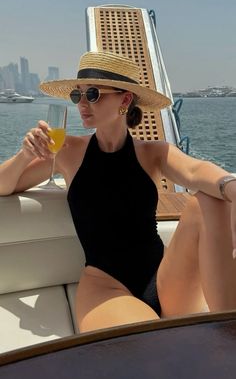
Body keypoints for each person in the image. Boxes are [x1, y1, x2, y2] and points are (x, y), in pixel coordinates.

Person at [0, 50, 236, 333]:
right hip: (105, 285)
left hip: (164, 278)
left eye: (94, 94)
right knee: (154, 347)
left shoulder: (154, 152)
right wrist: (24, 155)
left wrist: (230, 187)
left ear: (125, 100)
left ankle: (228, 335)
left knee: (210, 201)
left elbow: (197, 172)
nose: (82, 104)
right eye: (78, 96)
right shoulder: (66, 151)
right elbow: (4, 185)